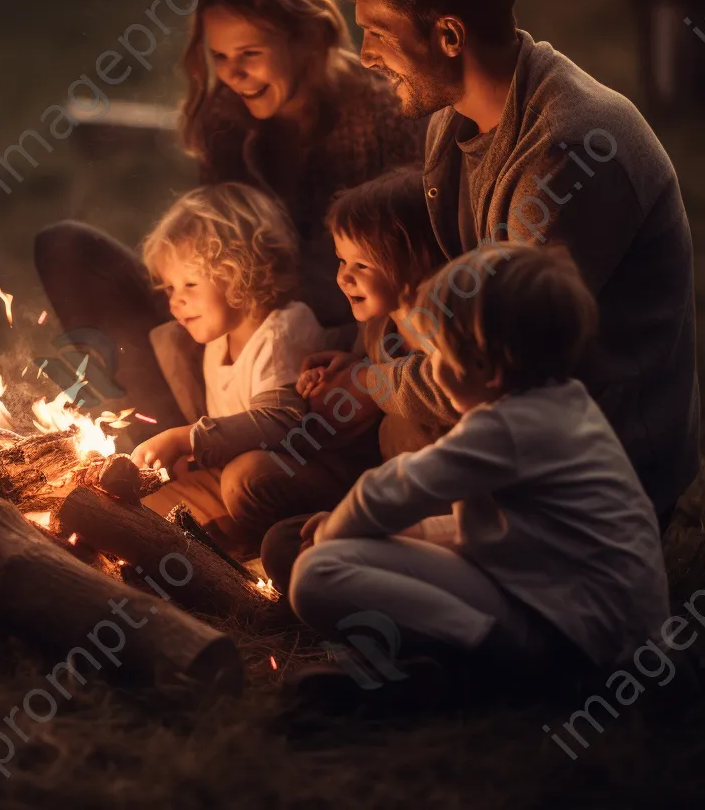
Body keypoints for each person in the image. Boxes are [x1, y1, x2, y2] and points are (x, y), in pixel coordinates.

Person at [327, 0, 699, 524]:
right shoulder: (452, 118)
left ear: (448, 35)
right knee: (320, 489)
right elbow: (459, 306)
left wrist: (372, 384)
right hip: (496, 413)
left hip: (589, 471)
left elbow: (505, 362)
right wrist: (369, 358)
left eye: (378, 34)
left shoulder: (569, 152)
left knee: (306, 547)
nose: (364, 55)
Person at [35, 0, 424, 443]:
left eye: (250, 55)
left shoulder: (383, 114)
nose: (233, 74)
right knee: (66, 247)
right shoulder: (226, 119)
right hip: (229, 327)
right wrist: (190, 286)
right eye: (219, 57)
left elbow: (409, 264)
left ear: (306, 40)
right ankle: (164, 437)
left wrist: (354, 358)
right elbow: (213, 244)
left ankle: (210, 440)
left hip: (330, 345)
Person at [289, 244, 670, 705]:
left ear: (485, 367)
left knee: (316, 574)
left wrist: (334, 531)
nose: (428, 367)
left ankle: (483, 663)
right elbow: (500, 532)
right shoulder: (562, 406)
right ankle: (439, 666)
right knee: (345, 559)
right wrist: (407, 533)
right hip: (586, 620)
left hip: (575, 640)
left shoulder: (506, 427)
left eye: (436, 354)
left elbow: (395, 489)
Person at [262, 167, 451, 589]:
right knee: (282, 544)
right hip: (388, 497)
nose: (343, 276)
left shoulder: (441, 329)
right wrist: (348, 367)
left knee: (317, 562)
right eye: (341, 260)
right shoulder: (378, 326)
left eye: (361, 264)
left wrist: (368, 381)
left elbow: (429, 389)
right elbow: (376, 367)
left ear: (416, 260)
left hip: (442, 513)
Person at [132, 183, 329, 554]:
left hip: (300, 472)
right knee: (142, 515)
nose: (176, 300)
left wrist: (187, 439)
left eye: (190, 282)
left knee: (244, 479)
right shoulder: (216, 343)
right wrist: (192, 457)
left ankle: (253, 550)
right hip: (230, 476)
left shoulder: (281, 330)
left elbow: (282, 421)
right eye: (170, 287)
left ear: (241, 270)